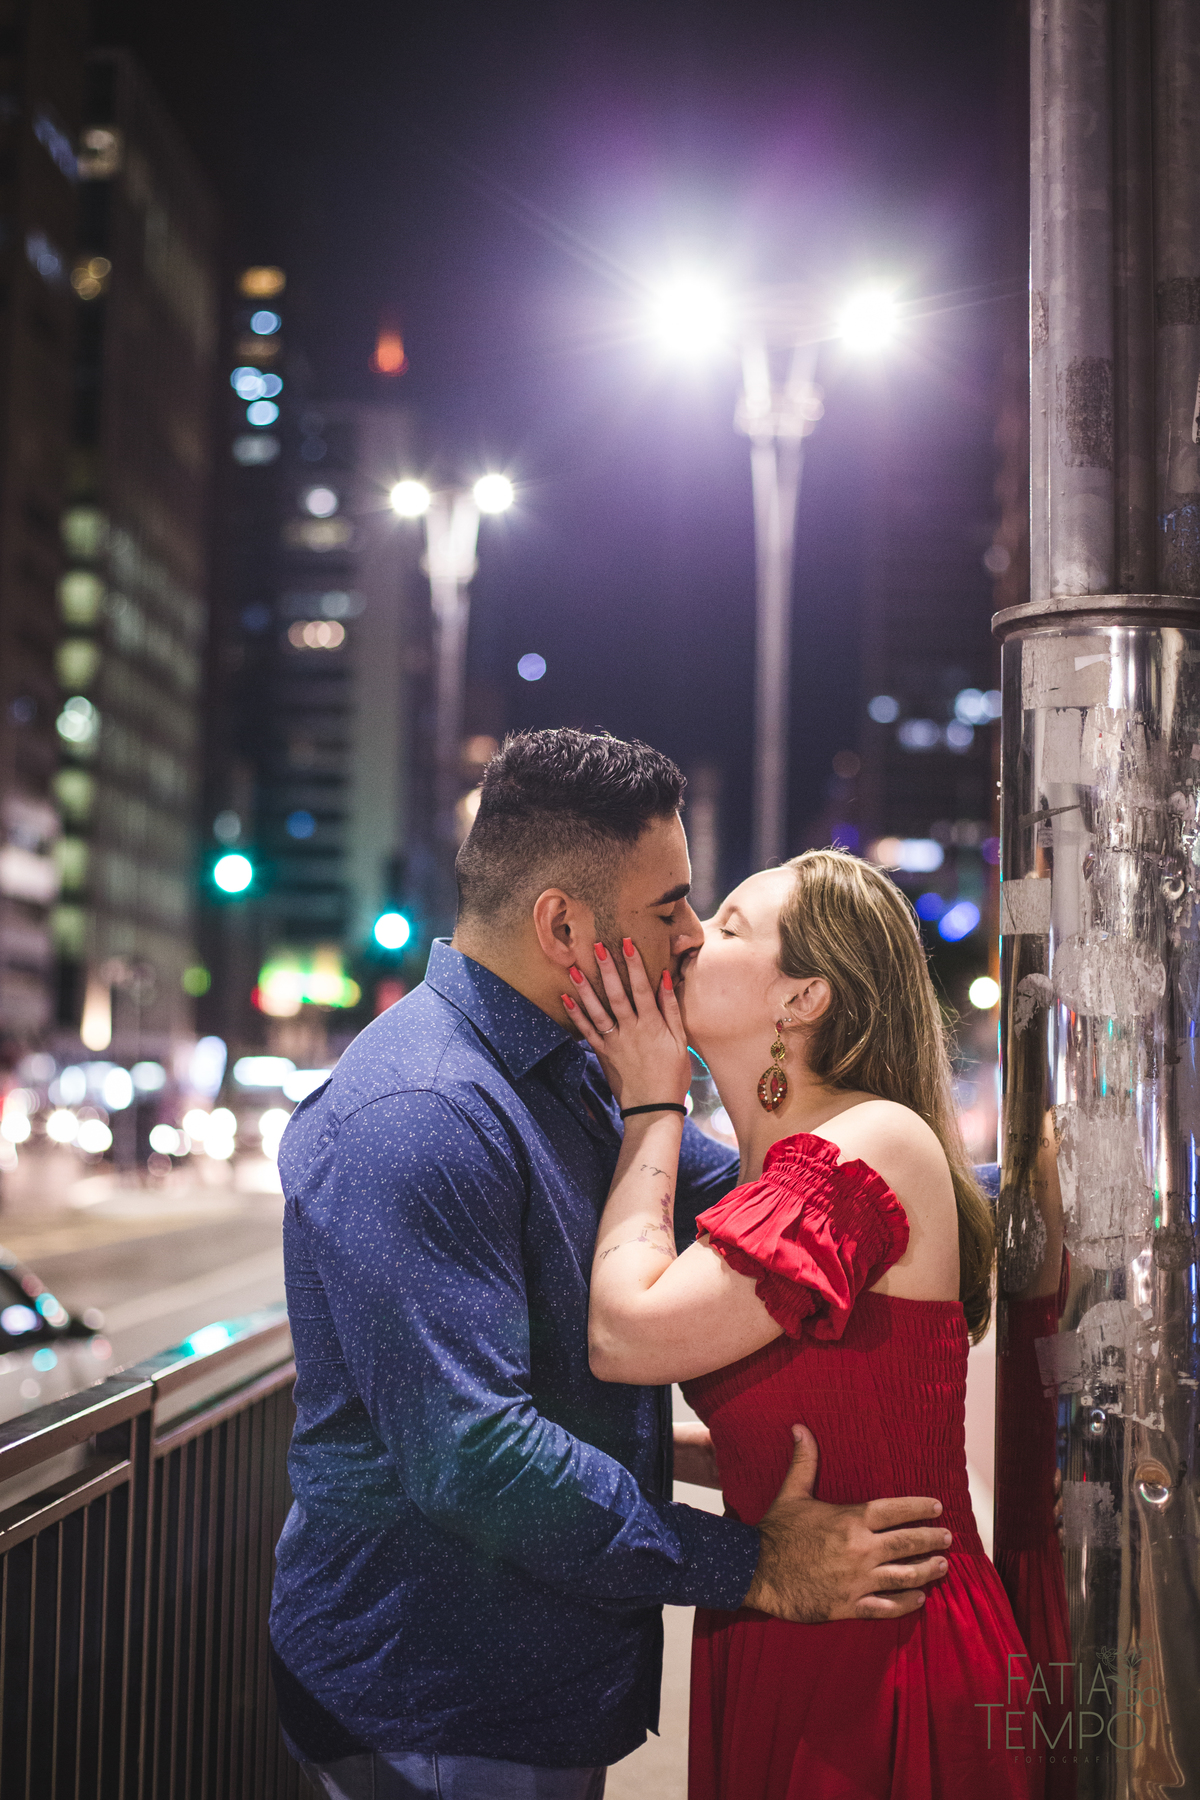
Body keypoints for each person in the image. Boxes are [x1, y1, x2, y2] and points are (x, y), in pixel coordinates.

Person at [269, 731, 953, 1800]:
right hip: (443, 1704)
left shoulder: (565, 1073)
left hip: (533, 1683)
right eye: (673, 907)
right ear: (563, 923)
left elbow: (762, 1214)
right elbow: (479, 1460)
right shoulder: (420, 1116)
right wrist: (755, 1564)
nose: (686, 936)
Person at [569, 847, 1040, 1800]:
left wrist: (653, 1104)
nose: (693, 935)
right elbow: (804, 1425)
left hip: (888, 1648)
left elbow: (627, 1337)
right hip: (792, 1622)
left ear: (804, 998)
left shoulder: (868, 1142)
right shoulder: (770, 1174)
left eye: (733, 926)